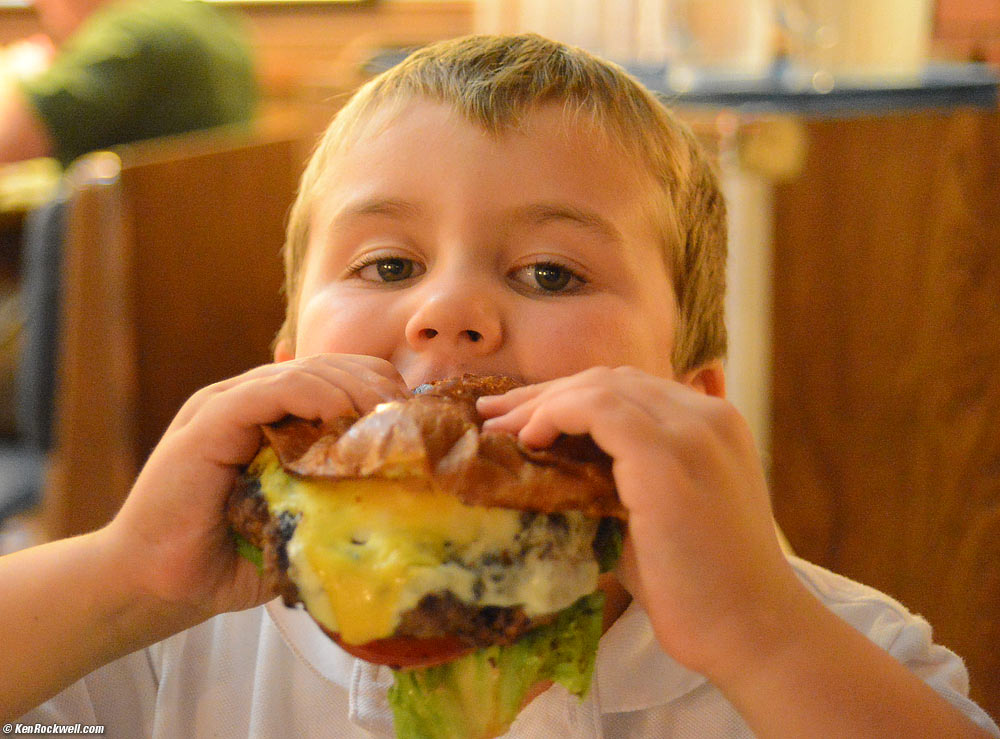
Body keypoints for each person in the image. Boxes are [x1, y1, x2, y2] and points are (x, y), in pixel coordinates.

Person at [2, 34, 998, 737]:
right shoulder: (159, 647)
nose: (446, 312)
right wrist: (120, 578)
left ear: (689, 400)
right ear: (285, 368)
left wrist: (764, 638)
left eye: (549, 273)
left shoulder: (825, 647)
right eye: (388, 265)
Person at [0, 0, 256, 167]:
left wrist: (17, 72)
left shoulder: (128, 33)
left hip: (138, 239)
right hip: (200, 232)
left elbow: (6, 142)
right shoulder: (210, 20)